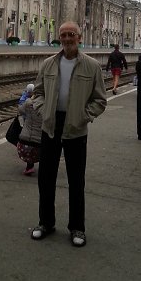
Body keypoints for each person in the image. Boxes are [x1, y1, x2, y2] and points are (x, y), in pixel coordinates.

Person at [30, 21, 107, 247]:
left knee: (76, 179)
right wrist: (44, 111)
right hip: (51, 125)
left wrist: (84, 116)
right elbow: (38, 92)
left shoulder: (91, 66)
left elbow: (100, 100)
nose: (66, 38)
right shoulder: (49, 64)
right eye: (63, 35)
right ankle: (45, 222)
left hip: (76, 127)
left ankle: (77, 227)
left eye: (71, 34)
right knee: (46, 178)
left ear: (79, 38)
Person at [17, 88, 42, 175]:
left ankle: (29, 167)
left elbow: (20, 110)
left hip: (24, 143)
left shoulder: (28, 102)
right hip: (40, 142)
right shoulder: (47, 105)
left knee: (30, 148)